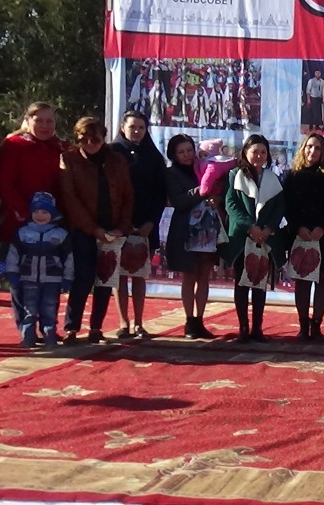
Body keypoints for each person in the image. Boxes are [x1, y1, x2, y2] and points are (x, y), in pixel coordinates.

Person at [58, 117, 134, 345]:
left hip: (112, 229)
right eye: (84, 140)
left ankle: (96, 328)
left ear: (104, 138)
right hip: (84, 228)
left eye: (96, 139)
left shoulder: (117, 160)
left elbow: (128, 196)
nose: (90, 144)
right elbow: (70, 199)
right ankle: (71, 328)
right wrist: (93, 229)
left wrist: (122, 227)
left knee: (105, 279)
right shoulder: (69, 159)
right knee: (83, 277)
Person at [0, 101, 68, 331]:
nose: (45, 126)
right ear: (28, 121)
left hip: (52, 224)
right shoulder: (14, 145)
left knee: (50, 277)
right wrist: (25, 214)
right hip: (21, 221)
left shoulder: (60, 147)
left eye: (50, 121)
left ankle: (48, 326)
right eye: (40, 121)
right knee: (22, 277)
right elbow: (5, 183)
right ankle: (26, 327)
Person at [222, 134, 285, 343]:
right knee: (242, 283)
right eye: (254, 151)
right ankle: (243, 328)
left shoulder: (272, 178)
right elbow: (231, 204)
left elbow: (279, 207)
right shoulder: (235, 175)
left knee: (259, 282)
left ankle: (257, 328)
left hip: (264, 239)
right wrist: (250, 227)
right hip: (242, 238)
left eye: (263, 152)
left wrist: (268, 229)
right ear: (245, 153)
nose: (259, 155)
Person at [110, 111, 167, 339]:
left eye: (141, 127)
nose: (136, 131)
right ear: (122, 127)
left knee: (139, 275)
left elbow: (160, 194)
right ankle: (123, 323)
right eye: (132, 127)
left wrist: (151, 222)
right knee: (119, 275)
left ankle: (139, 323)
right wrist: (119, 222)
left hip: (145, 225)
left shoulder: (154, 157)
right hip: (117, 224)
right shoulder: (112, 153)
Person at [283, 133, 324, 340]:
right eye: (309, 146)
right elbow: (287, 205)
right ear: (303, 148)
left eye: (317, 148)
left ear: (323, 151)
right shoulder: (292, 175)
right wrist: (298, 227)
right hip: (300, 234)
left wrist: (322, 227)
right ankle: (303, 324)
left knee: (322, 280)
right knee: (302, 281)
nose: (312, 151)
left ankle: (316, 324)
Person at [164, 134, 219, 339]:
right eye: (181, 152)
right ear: (174, 155)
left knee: (204, 276)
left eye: (189, 150)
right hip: (185, 230)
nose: (186, 155)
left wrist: (216, 197)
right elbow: (179, 201)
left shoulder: (203, 167)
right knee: (189, 276)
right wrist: (203, 189)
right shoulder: (171, 173)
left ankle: (200, 320)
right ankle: (189, 321)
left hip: (207, 230)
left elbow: (218, 190)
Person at [5, 192, 73, 347]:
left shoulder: (61, 234)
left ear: (53, 214)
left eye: (44, 212)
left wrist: (67, 278)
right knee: (30, 309)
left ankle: (50, 335)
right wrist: (12, 273)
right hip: (28, 279)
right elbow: (13, 254)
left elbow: (69, 258)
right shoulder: (23, 233)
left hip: (52, 279)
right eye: (35, 211)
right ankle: (28, 336)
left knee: (49, 309)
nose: (39, 215)